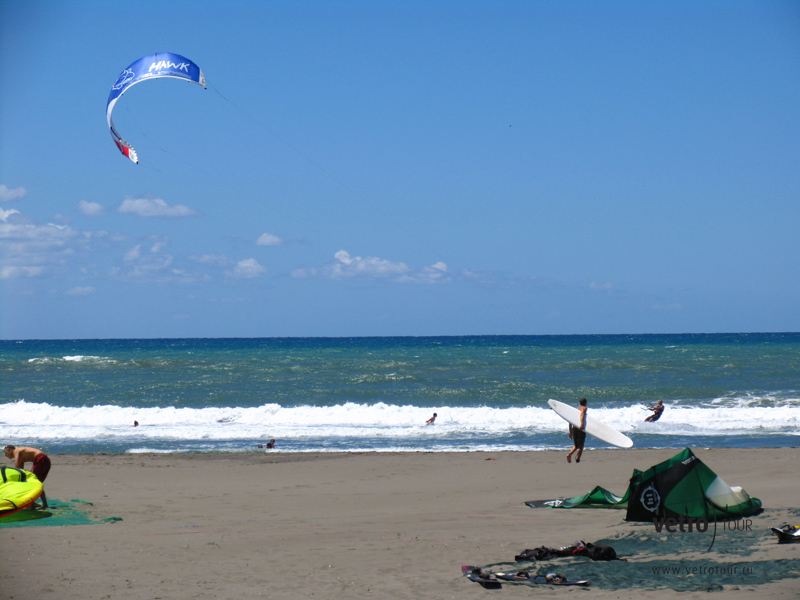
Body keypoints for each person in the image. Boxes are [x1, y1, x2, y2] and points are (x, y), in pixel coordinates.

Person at [566, 398, 587, 464]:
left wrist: (570, 431)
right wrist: (582, 424)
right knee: (581, 445)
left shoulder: (576, 409)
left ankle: (569, 454)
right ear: (585, 403)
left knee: (576, 445)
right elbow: (582, 414)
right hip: (580, 428)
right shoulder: (584, 408)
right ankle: (577, 459)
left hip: (574, 427)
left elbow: (570, 420)